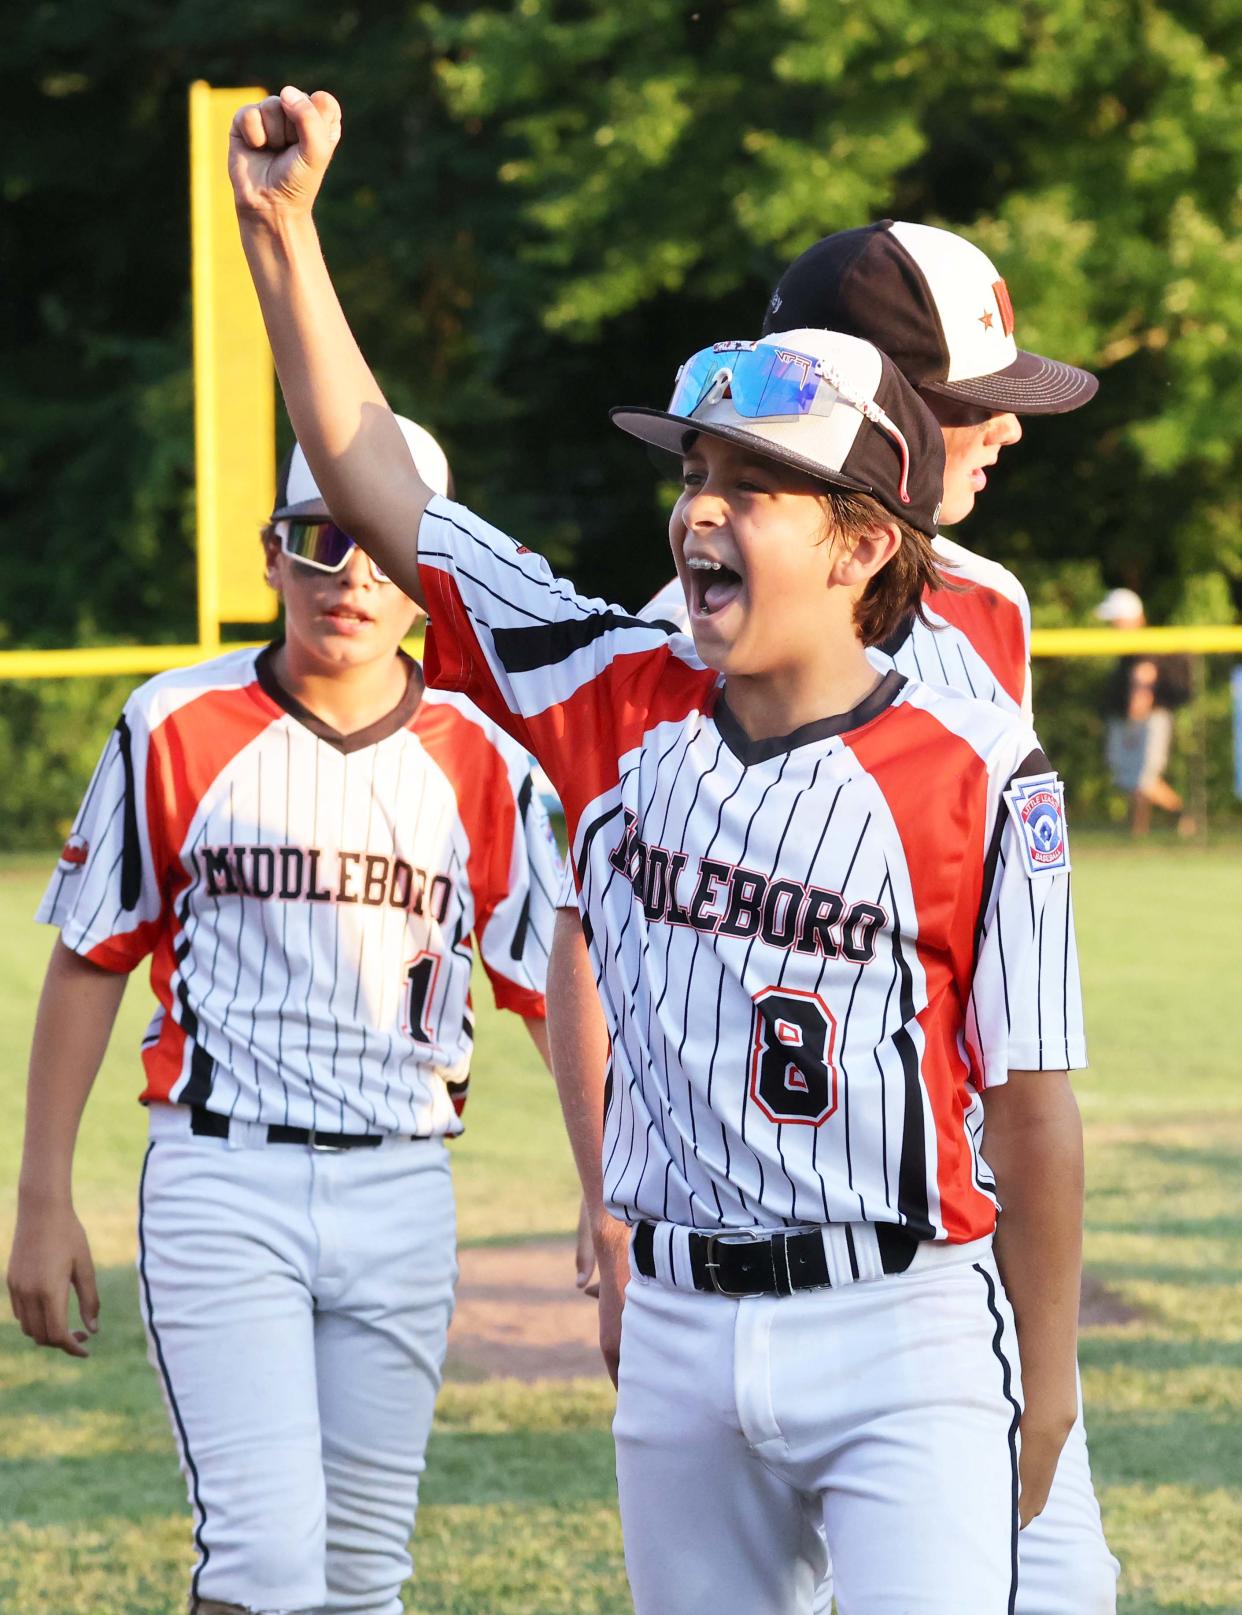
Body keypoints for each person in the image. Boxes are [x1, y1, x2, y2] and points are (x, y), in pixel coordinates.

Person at [225, 86, 1087, 1614]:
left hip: (904, 1314)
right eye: (694, 471)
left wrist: (1053, 1373)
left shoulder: (976, 770)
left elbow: (1031, 1103)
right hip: (684, 1328)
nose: (701, 505)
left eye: (752, 483)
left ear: (866, 539)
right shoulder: (613, 686)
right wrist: (282, 237)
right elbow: (384, 487)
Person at [557, 219, 1119, 1615]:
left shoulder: (987, 604)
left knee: (1059, 1584)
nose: (1003, 429)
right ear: (884, 407)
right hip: (777, 1234)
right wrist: (608, 1203)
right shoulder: (697, 636)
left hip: (955, 1248)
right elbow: (585, 923)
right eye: (976, 400)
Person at [5, 414, 560, 1615]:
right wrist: (41, 1196)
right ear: (271, 554)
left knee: (364, 1577)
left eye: (381, 549)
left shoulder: (489, 759)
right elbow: (91, 959)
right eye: (319, 540)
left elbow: (555, 999)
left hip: (407, 1183)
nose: (349, 576)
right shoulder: (176, 722)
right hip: (223, 1178)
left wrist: (615, 1212)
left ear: (430, 582)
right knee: (261, 1560)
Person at [1096, 586, 1194, 837]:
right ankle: (1139, 832)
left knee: (1143, 779)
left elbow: (1142, 687)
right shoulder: (1132, 646)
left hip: (1145, 719)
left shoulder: (1142, 644)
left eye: (1115, 620)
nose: (1112, 626)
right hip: (1139, 718)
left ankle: (1184, 816)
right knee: (1133, 779)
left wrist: (1132, 725)